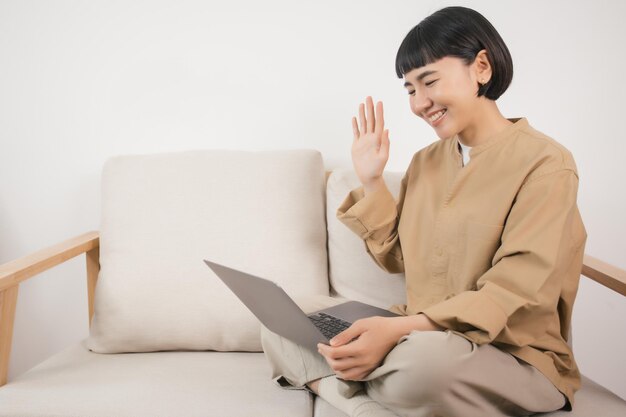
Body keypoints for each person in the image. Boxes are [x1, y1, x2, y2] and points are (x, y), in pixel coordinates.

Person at [261, 6, 587, 417]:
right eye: (410, 89)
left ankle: (344, 392)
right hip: (416, 330)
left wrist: (394, 331)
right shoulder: (426, 161)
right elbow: (396, 257)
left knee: (425, 368)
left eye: (429, 81)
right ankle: (371, 392)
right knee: (283, 320)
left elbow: (511, 290)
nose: (420, 102)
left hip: (508, 353)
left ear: (481, 67)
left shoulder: (546, 164)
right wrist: (373, 180)